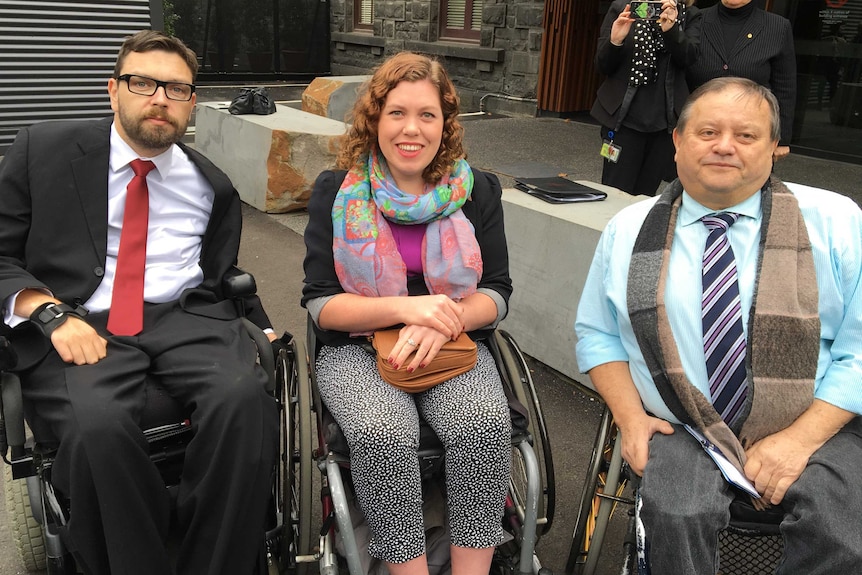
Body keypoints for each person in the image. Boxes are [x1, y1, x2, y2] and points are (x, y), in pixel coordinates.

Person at [0, 30, 279, 575]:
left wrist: (262, 326)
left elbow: (222, 276)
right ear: (113, 90)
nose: (159, 98)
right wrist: (47, 311)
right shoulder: (43, 151)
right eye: (143, 82)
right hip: (78, 320)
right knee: (97, 427)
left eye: (176, 89)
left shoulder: (211, 185)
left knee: (244, 400)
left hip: (183, 317)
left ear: (191, 103)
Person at [575, 77, 862, 573]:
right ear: (678, 141)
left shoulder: (835, 222)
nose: (725, 146)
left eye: (746, 136)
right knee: (674, 513)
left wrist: (798, 440)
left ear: (774, 147)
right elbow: (597, 334)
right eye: (707, 131)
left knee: (844, 534)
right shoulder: (628, 229)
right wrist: (630, 418)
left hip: (813, 419)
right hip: (683, 424)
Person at [301, 52, 512, 574]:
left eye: (427, 115)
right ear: (374, 119)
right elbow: (322, 303)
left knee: (481, 422)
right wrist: (411, 307)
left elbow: (497, 292)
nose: (411, 129)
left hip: (452, 342)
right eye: (396, 113)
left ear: (446, 124)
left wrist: (447, 320)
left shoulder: (477, 189)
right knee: (383, 430)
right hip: (355, 347)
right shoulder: (337, 191)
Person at [591, 0, 702, 196]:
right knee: (614, 190)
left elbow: (690, 59)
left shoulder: (689, 15)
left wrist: (671, 31)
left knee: (646, 194)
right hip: (622, 121)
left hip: (664, 122)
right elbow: (602, 65)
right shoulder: (622, 8)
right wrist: (615, 41)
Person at [686, 0, 796, 160]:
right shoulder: (695, 18)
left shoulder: (778, 27)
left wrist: (782, 138)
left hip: (750, 133)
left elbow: (785, 87)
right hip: (701, 129)